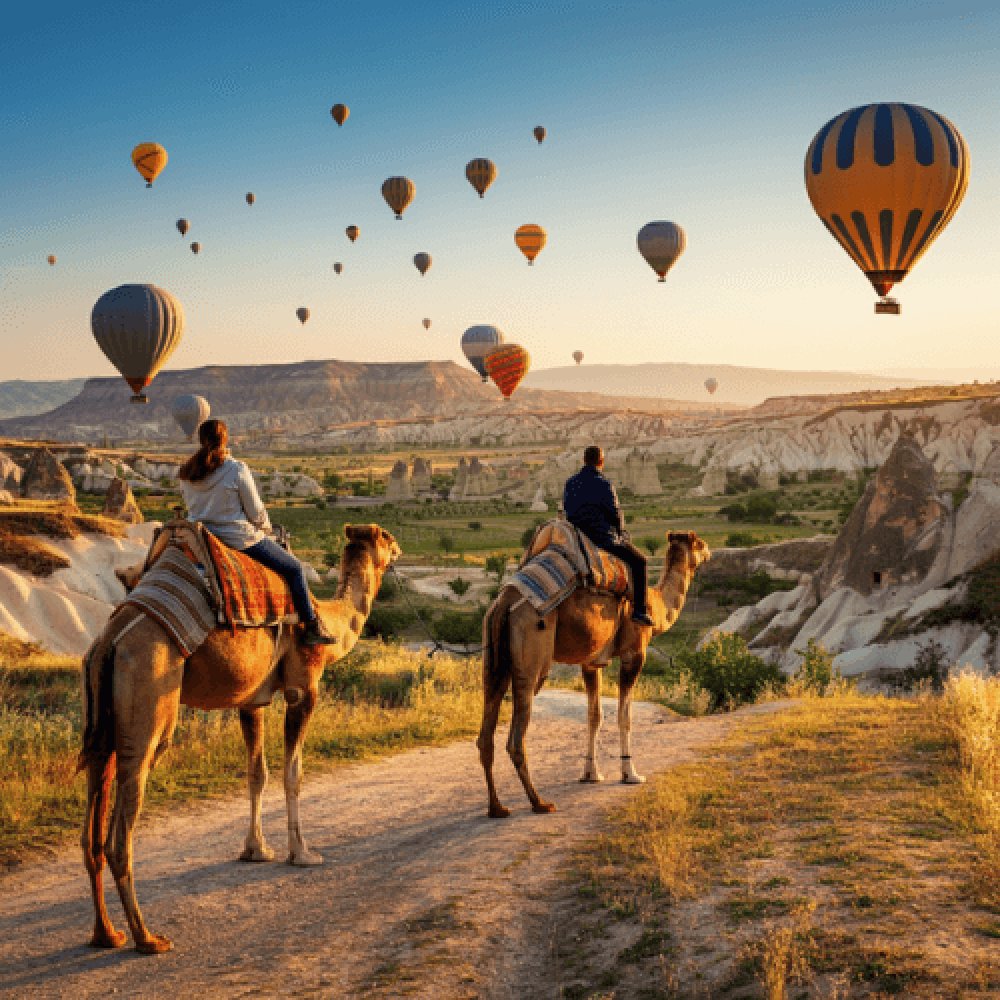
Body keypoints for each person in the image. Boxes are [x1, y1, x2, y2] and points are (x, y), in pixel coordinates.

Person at [178, 418, 335, 646]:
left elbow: (191, 507)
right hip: (238, 539)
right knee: (294, 568)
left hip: (200, 539)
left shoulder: (187, 472)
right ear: (226, 439)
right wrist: (267, 529)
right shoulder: (236, 469)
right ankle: (311, 625)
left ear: (200, 440)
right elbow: (256, 511)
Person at [562, 445, 653, 626]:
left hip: (577, 538)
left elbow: (568, 510)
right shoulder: (604, 484)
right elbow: (615, 514)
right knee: (640, 561)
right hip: (602, 539)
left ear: (584, 460)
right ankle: (639, 611)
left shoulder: (570, 483)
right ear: (601, 462)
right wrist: (621, 533)